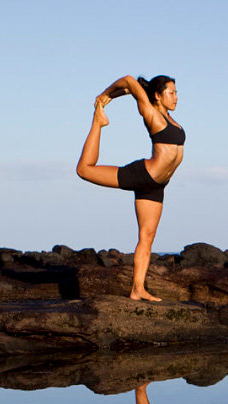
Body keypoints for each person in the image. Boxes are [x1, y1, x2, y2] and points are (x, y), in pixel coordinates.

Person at [76, 75, 185, 302]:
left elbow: (127, 89)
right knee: (84, 170)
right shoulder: (151, 112)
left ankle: (138, 289)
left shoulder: (170, 118)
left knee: (147, 236)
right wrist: (105, 96)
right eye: (171, 92)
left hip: (156, 186)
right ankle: (98, 123)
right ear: (157, 95)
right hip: (142, 175)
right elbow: (128, 81)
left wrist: (117, 94)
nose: (176, 97)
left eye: (176, 92)